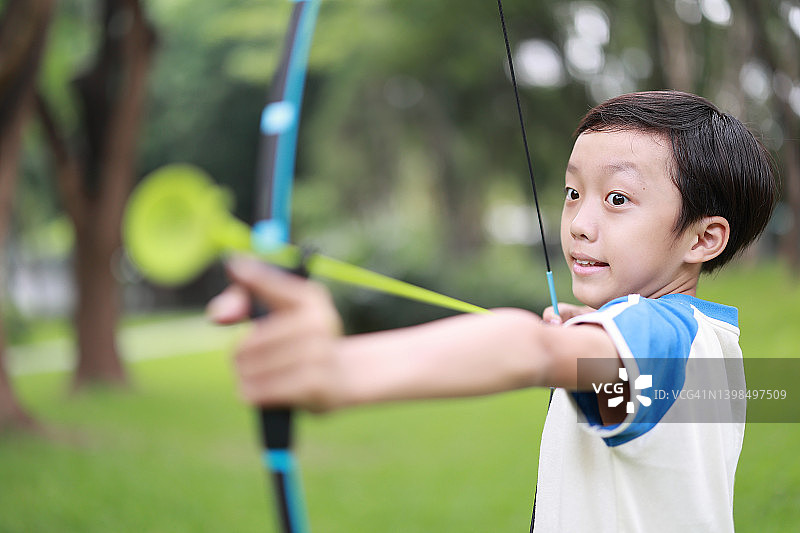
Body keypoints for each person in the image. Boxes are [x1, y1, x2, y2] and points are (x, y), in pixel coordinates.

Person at [207, 91, 778, 532]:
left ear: (703, 240)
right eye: (574, 192)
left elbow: (528, 350)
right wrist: (583, 353)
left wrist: (338, 368)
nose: (579, 222)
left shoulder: (655, 336)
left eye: (618, 199)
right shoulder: (711, 348)